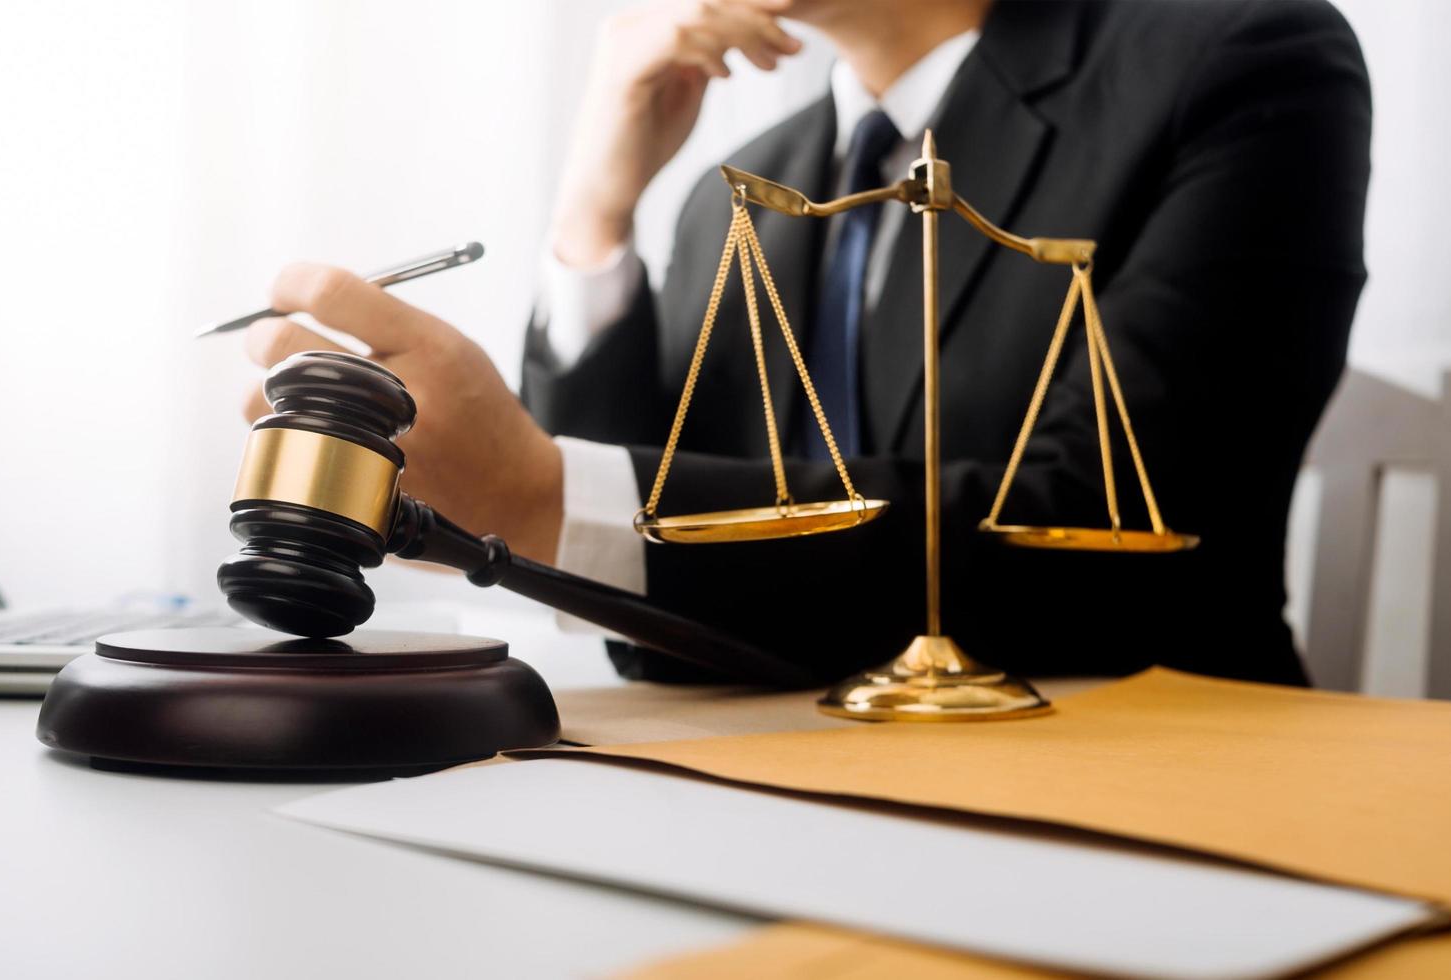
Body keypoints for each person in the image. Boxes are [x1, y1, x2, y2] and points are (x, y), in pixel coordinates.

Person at [240, 0, 1368, 685]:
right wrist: (593, 215)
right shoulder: (727, 200)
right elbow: (648, 605)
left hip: (1140, 782)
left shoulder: (1240, 65)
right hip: (784, 773)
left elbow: (1112, 543)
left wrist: (535, 494)